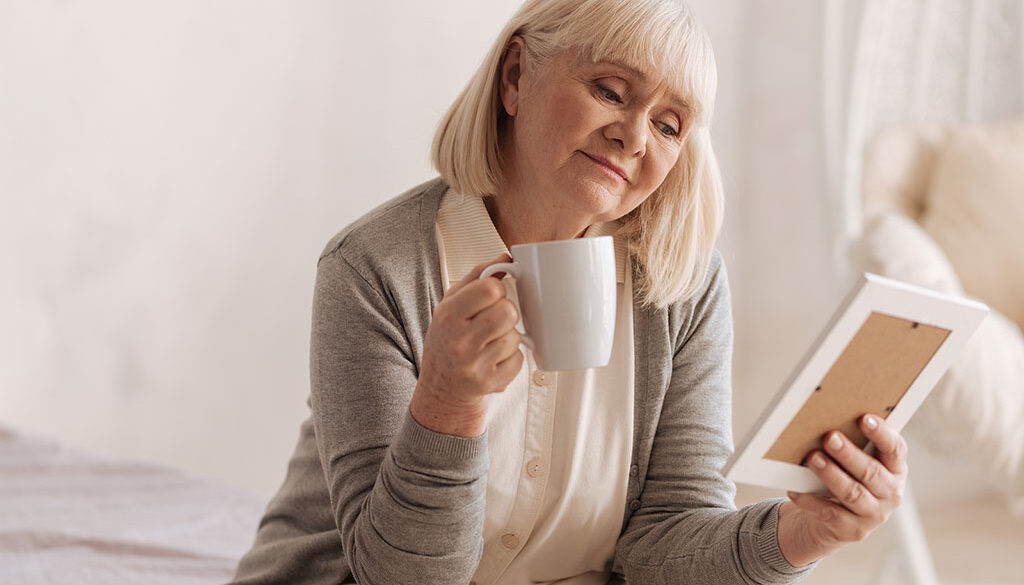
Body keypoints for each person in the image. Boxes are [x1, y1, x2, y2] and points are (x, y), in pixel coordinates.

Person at [227, 0, 909, 583]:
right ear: (516, 76)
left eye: (670, 124)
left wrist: (801, 533)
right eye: (611, 90)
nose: (634, 135)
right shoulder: (375, 267)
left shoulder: (682, 288)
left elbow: (665, 542)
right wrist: (447, 405)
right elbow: (402, 576)